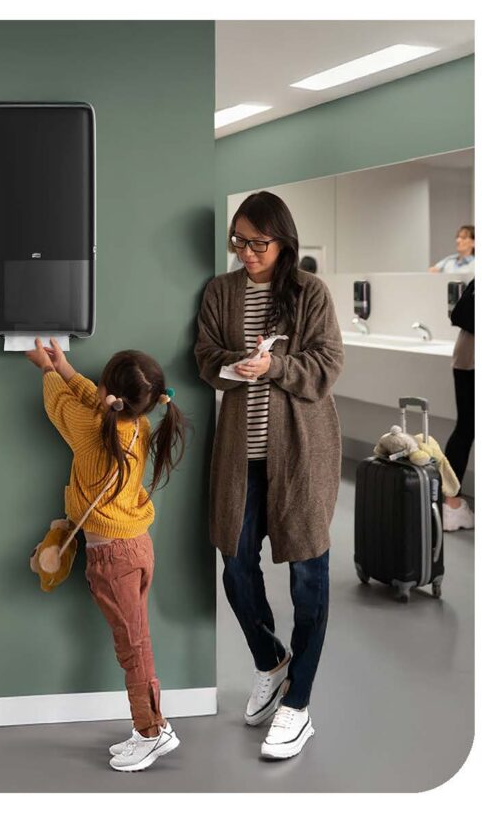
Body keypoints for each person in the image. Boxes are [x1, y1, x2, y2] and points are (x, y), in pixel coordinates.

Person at [194, 191, 344, 760]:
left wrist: (275, 365)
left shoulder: (310, 292)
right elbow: (205, 356)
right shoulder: (221, 292)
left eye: (258, 242)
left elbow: (327, 366)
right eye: (239, 241)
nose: (247, 252)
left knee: (309, 574)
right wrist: (234, 365)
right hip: (240, 455)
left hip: (302, 456)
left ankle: (298, 704)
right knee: (234, 561)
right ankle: (271, 661)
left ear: (284, 240)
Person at [25, 338, 187, 772]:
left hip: (112, 559)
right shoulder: (139, 425)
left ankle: (151, 732)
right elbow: (92, 405)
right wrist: (65, 366)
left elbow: (62, 407)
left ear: (110, 395)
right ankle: (151, 726)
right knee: (136, 642)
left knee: (132, 647)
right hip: (136, 547)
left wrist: (46, 369)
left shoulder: (91, 431)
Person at [443, 277, 474, 530]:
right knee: (465, 429)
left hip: (465, 359)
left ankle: (449, 504)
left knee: (464, 429)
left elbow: (458, 314)